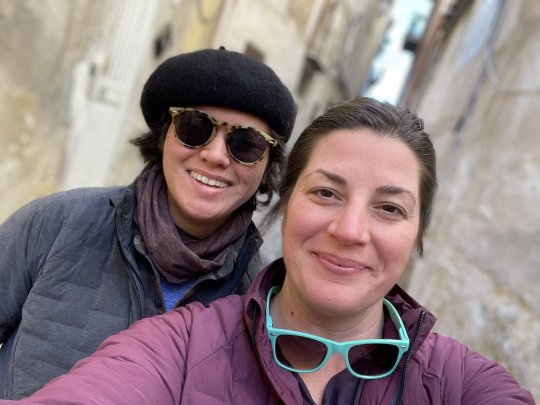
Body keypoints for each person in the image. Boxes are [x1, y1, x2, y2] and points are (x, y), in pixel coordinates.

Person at [0, 98, 534, 405]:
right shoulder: (183, 343)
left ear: (418, 235)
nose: (350, 230)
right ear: (285, 204)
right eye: (326, 193)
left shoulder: (460, 384)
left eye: (390, 208)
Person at [0, 48, 297, 399]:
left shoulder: (262, 303)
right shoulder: (57, 223)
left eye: (246, 144)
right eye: (195, 127)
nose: (215, 156)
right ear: (163, 135)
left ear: (267, 165)